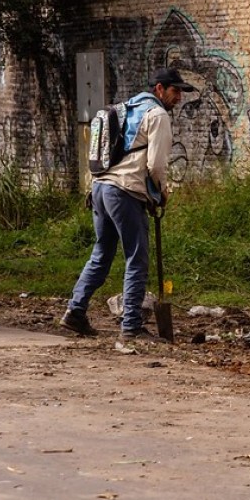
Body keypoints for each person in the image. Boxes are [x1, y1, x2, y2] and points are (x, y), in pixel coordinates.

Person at [60, 68, 195, 343]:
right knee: (137, 258)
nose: (179, 97)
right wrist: (161, 192)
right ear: (159, 89)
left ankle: (75, 311)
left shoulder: (126, 108)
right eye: (175, 91)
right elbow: (155, 165)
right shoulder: (157, 115)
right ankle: (132, 326)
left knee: (102, 254)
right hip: (124, 191)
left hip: (100, 189)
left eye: (181, 92)